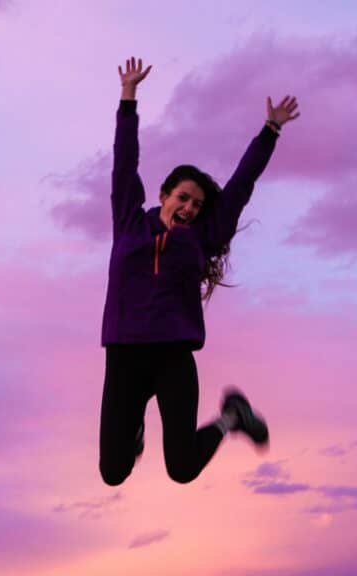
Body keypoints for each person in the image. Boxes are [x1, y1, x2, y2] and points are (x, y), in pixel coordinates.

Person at [99, 56, 300, 486]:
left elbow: (241, 185)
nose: (189, 208)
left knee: (182, 468)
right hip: (124, 356)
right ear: (164, 195)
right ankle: (133, 430)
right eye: (184, 198)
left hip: (173, 355)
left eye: (196, 204)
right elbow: (124, 164)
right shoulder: (129, 224)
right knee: (113, 472)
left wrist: (270, 131)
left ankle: (231, 418)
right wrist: (128, 97)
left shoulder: (202, 238)